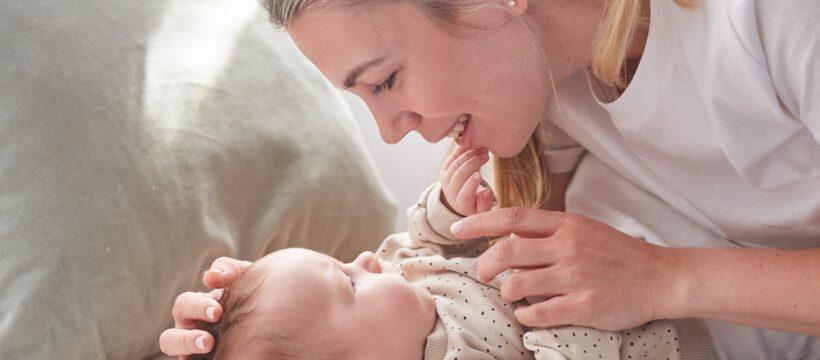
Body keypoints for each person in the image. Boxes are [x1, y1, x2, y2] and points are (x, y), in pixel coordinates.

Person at [160, 0, 820, 359]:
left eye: (385, 80)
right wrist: (267, 319)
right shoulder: (538, 104)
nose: (390, 129)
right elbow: (444, 274)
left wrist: (664, 278)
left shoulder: (774, 22)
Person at [183, 146, 696, 360]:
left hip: (643, 287)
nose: (365, 260)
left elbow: (427, 241)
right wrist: (558, 317)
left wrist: (451, 209)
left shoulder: (404, 277)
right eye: (349, 282)